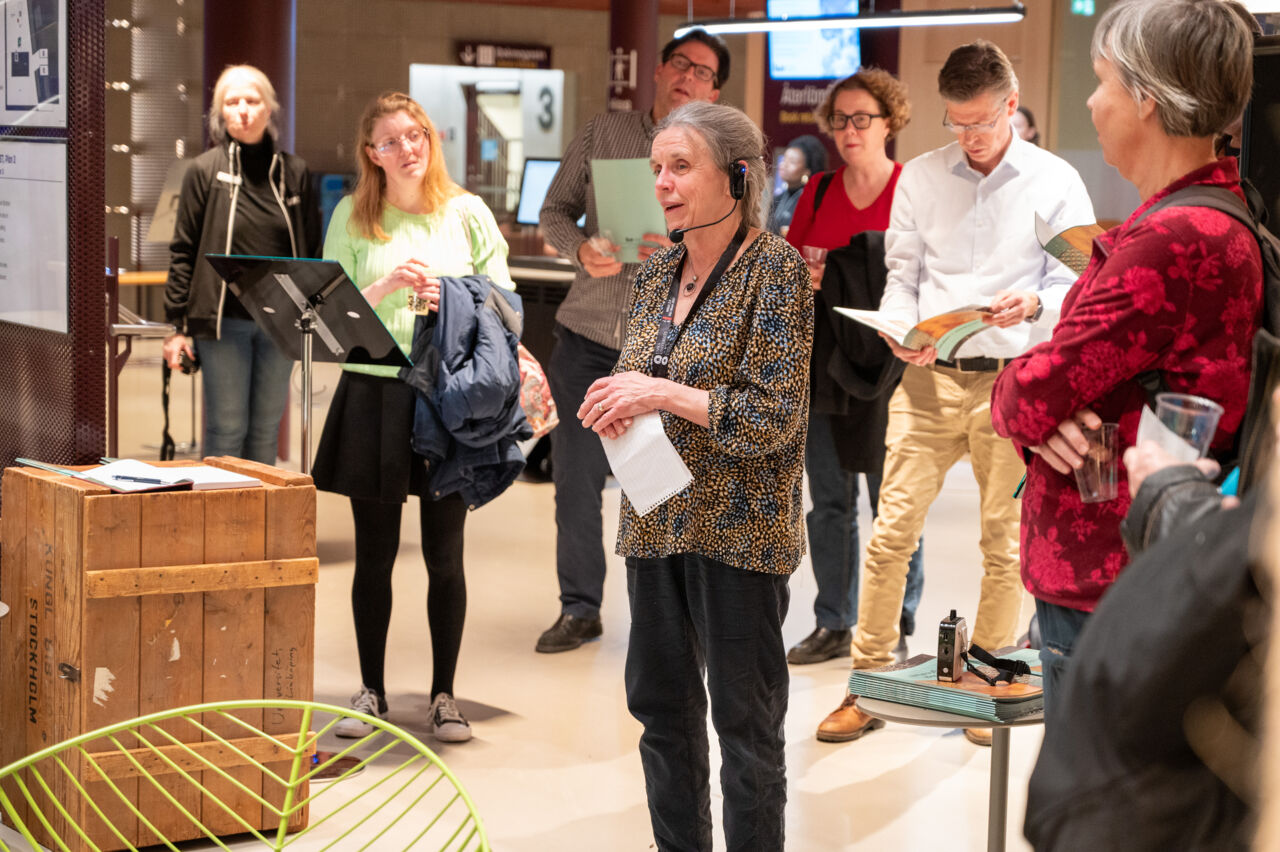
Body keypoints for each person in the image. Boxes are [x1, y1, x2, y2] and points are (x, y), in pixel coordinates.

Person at [814, 40, 1095, 747]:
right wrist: (900, 329)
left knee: (1004, 543)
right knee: (891, 534)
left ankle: (988, 687)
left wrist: (1034, 303)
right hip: (928, 378)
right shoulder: (921, 177)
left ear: (1011, 104)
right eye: (956, 123)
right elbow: (902, 275)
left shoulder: (1054, 181)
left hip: (1013, 381)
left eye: (983, 122)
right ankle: (866, 682)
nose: (969, 137)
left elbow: (1077, 282)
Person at [990, 0, 1261, 711]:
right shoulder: (1211, 213)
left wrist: (1024, 396)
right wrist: (1047, 411)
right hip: (1140, 564)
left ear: (1147, 97)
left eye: (1102, 79)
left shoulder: (1173, 240)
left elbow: (1028, 395)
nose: (1091, 101)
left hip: (1112, 577)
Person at [578, 101, 811, 852]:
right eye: (656, 169)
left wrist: (661, 393)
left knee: (746, 726)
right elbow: (639, 377)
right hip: (655, 518)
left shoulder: (775, 270)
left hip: (741, 531)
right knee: (661, 713)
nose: (662, 184)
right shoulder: (655, 272)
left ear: (736, 177)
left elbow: (772, 417)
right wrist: (616, 402)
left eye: (680, 167)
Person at [311, 92, 518, 744]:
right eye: (392, 140)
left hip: (445, 396)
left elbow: (505, 302)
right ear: (372, 153)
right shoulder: (352, 215)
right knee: (373, 556)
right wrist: (385, 287)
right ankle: (370, 691)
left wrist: (450, 296)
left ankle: (444, 696)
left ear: (430, 139)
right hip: (373, 393)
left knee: (444, 555)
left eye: (416, 134)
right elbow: (328, 313)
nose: (408, 148)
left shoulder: (468, 212)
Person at [535, 29, 731, 653]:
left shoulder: (722, 155)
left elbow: (743, 237)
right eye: (680, 63)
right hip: (590, 334)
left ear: (714, 91)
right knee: (575, 482)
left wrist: (684, 245)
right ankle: (580, 608)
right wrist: (582, 249)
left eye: (702, 72)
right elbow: (553, 212)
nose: (687, 76)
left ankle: (673, 618)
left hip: (672, 348)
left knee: (670, 484)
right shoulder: (604, 133)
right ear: (659, 71)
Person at [782, 69, 926, 671]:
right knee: (831, 502)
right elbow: (788, 273)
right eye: (840, 120)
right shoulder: (817, 191)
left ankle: (893, 621)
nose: (850, 130)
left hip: (896, 364)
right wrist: (808, 279)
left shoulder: (914, 189)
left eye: (862, 118)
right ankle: (834, 621)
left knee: (894, 502)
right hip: (826, 365)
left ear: (888, 122)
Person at [164, 64, 320, 464]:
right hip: (224, 322)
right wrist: (176, 327)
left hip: (280, 322)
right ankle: (221, 506)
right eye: (232, 102)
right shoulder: (203, 170)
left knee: (266, 429)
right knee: (227, 427)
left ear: (270, 108)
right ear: (221, 112)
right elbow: (183, 251)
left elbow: (311, 250)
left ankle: (256, 505)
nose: (243, 110)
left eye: (252, 100)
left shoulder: (295, 173)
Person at [765, 134, 826, 236]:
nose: (784, 165)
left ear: (806, 171)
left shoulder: (813, 200)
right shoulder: (778, 198)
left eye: (792, 162)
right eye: (784, 159)